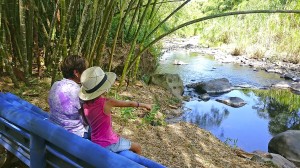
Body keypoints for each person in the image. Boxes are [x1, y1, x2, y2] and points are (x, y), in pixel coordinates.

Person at [79, 66, 166, 167]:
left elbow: (87, 122)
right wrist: (144, 105)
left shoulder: (85, 105)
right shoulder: (107, 102)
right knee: (137, 147)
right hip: (109, 143)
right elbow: (129, 104)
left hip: (95, 140)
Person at [48, 55, 89, 137]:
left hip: (53, 128)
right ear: (76, 73)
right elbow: (86, 120)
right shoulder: (78, 91)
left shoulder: (55, 85)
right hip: (73, 135)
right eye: (85, 72)